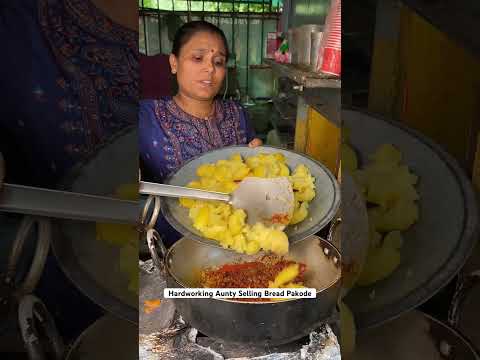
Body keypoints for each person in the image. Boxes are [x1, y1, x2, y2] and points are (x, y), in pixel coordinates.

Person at [139, 21, 262, 247]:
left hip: (239, 241)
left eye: (219, 62)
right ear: (174, 63)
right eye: (198, 58)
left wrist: (259, 162)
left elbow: (250, 172)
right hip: (175, 244)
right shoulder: (146, 116)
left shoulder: (238, 113)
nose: (210, 69)